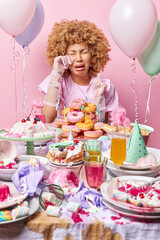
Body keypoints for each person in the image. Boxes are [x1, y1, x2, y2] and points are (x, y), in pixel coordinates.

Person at [39, 19, 118, 123]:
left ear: (94, 54)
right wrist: (55, 75)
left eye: (84, 52)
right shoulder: (59, 82)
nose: (79, 58)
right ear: (64, 56)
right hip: (65, 138)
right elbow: (48, 119)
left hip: (92, 139)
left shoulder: (104, 86)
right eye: (72, 53)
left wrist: (100, 102)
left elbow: (102, 127)